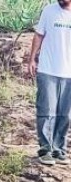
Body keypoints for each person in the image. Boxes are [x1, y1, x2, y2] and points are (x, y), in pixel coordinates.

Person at [28, 0, 71, 165]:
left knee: (66, 114)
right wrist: (32, 59)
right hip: (48, 69)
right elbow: (39, 35)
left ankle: (58, 149)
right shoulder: (48, 10)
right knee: (46, 110)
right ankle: (45, 149)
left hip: (69, 72)